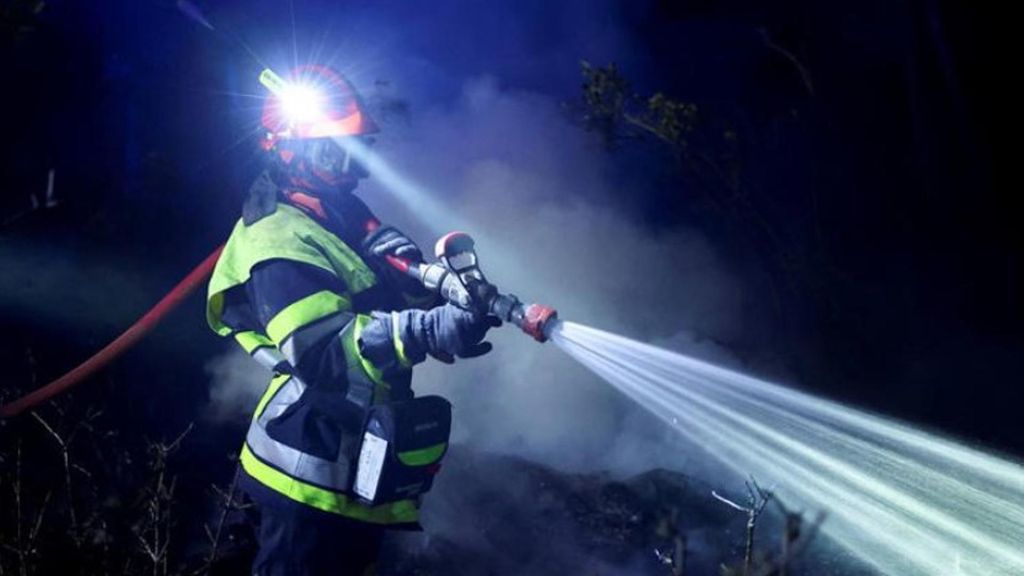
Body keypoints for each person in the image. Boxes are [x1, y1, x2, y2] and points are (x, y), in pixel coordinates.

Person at [205, 65, 498, 576]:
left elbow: (389, 283)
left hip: (352, 465)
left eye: (354, 150)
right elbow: (322, 354)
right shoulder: (276, 238)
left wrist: (456, 306)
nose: (351, 168)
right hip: (305, 478)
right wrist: (427, 331)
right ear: (289, 148)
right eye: (332, 151)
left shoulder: (335, 212)